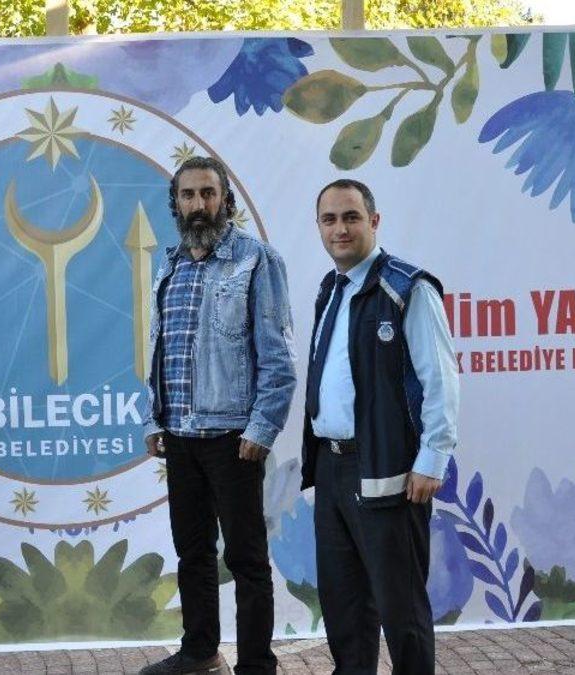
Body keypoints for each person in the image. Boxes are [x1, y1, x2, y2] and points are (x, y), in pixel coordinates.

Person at [139, 157, 297, 675]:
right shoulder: (170, 265)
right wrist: (152, 418)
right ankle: (200, 651)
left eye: (208, 193)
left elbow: (278, 357)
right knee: (192, 553)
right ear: (175, 204)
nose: (198, 204)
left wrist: (262, 428)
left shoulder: (256, 260)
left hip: (233, 438)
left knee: (246, 559)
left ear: (226, 200)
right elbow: (160, 348)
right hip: (179, 436)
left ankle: (256, 665)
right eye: (188, 195)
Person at [301, 179, 460, 674]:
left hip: (389, 471)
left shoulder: (408, 288)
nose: (340, 229)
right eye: (329, 219)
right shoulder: (330, 289)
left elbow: (440, 380)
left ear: (374, 221)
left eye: (351, 217)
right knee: (344, 608)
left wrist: (432, 458)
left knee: (401, 610)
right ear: (318, 227)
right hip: (331, 469)